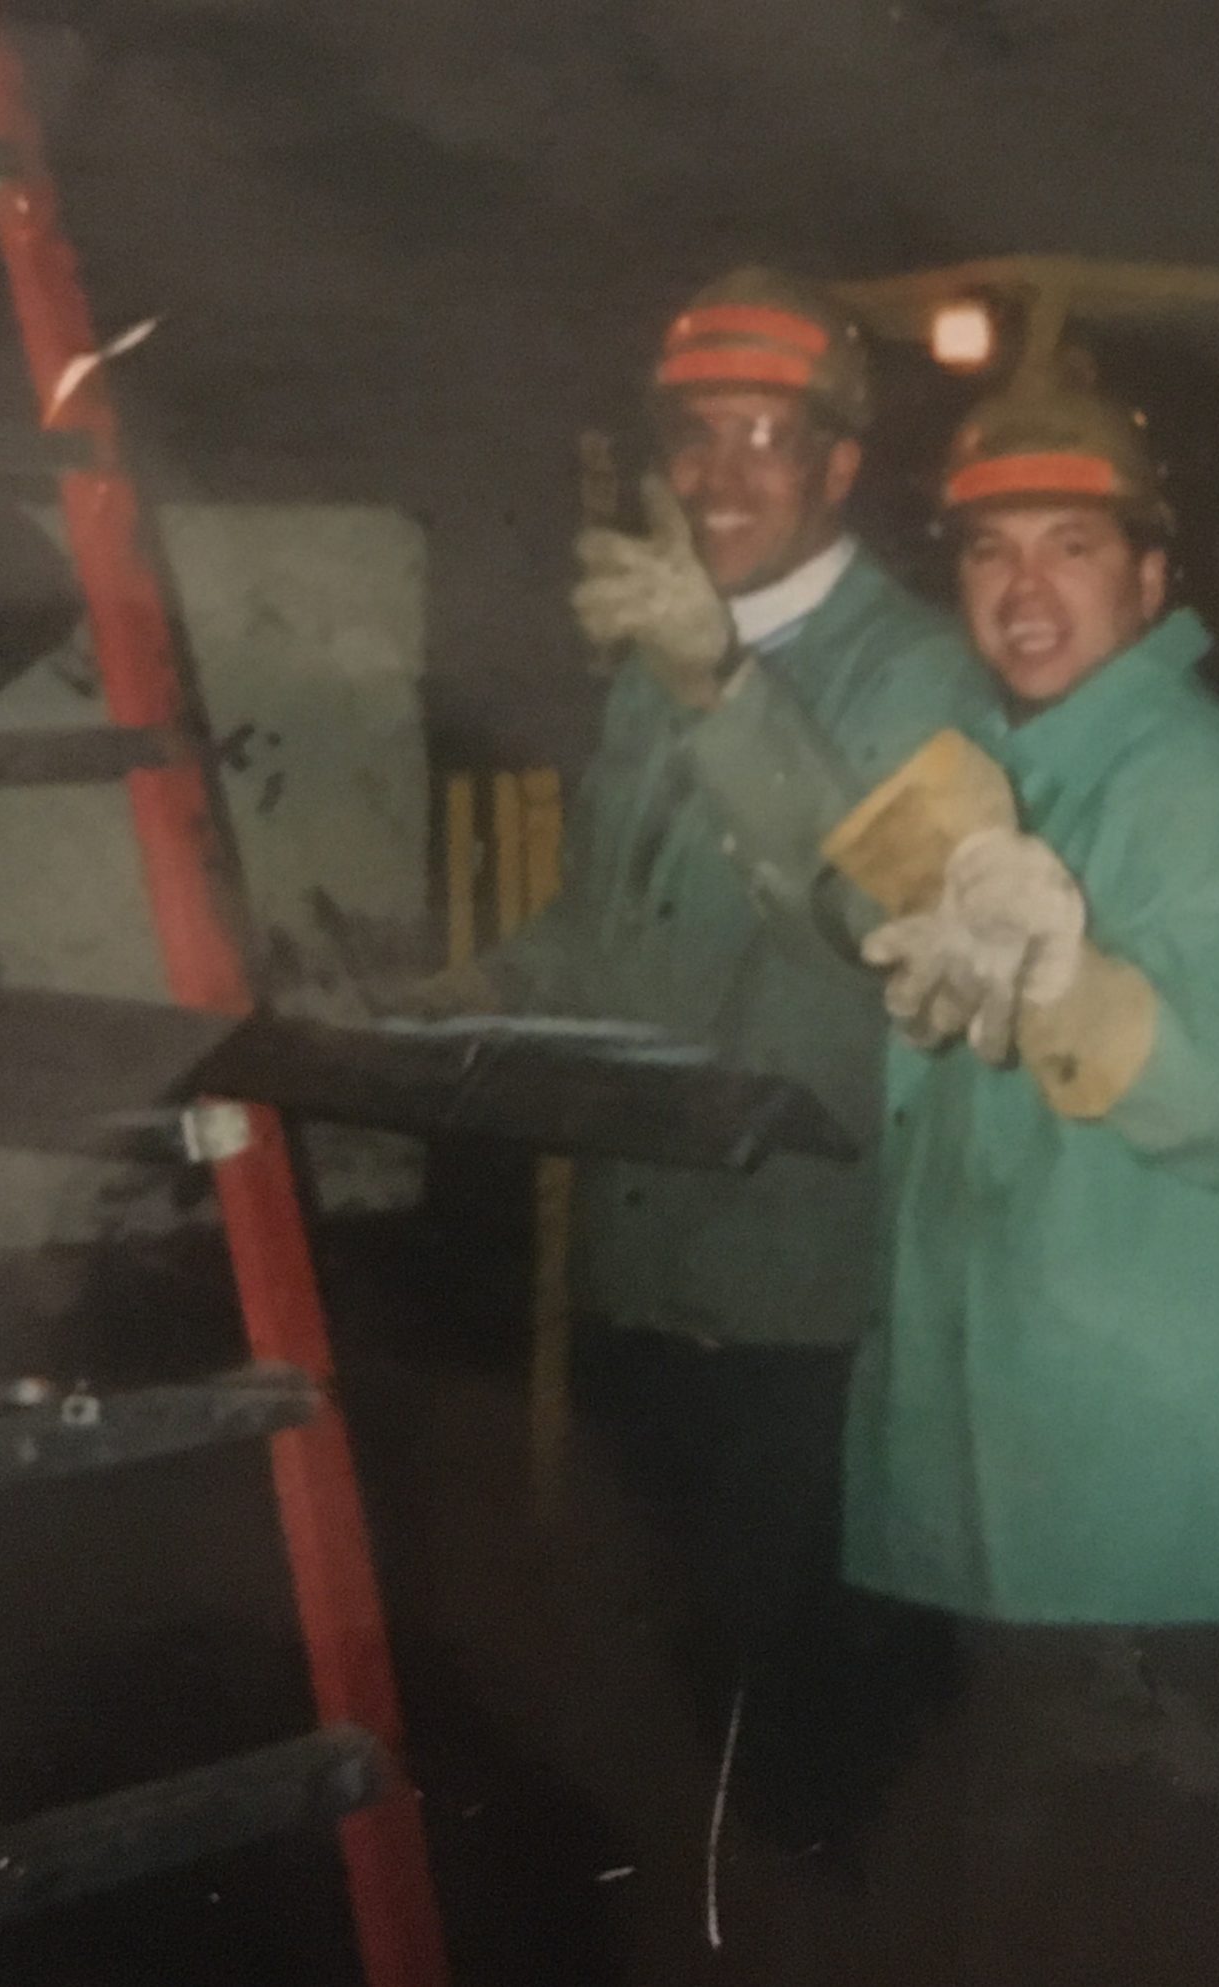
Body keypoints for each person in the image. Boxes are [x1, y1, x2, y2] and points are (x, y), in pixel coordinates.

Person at [835, 374, 1219, 1967]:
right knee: (1067, 1898)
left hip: (1165, 1490)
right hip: (1067, 1463)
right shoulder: (1003, 767)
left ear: (1152, 580)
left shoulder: (1195, 786)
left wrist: (1085, 996)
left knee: (1146, 1910)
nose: (1025, 592)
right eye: (989, 555)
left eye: (1072, 549)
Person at [473, 267, 990, 1858]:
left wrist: (718, 681)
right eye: (696, 438)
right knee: (687, 1700)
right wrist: (429, 992)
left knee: (826, 1742)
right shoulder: (657, 658)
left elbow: (895, 920)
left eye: (767, 436)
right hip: (652, 1279)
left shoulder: (916, 672)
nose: (719, 475)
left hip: (817, 1312)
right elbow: (596, 934)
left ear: (841, 468)